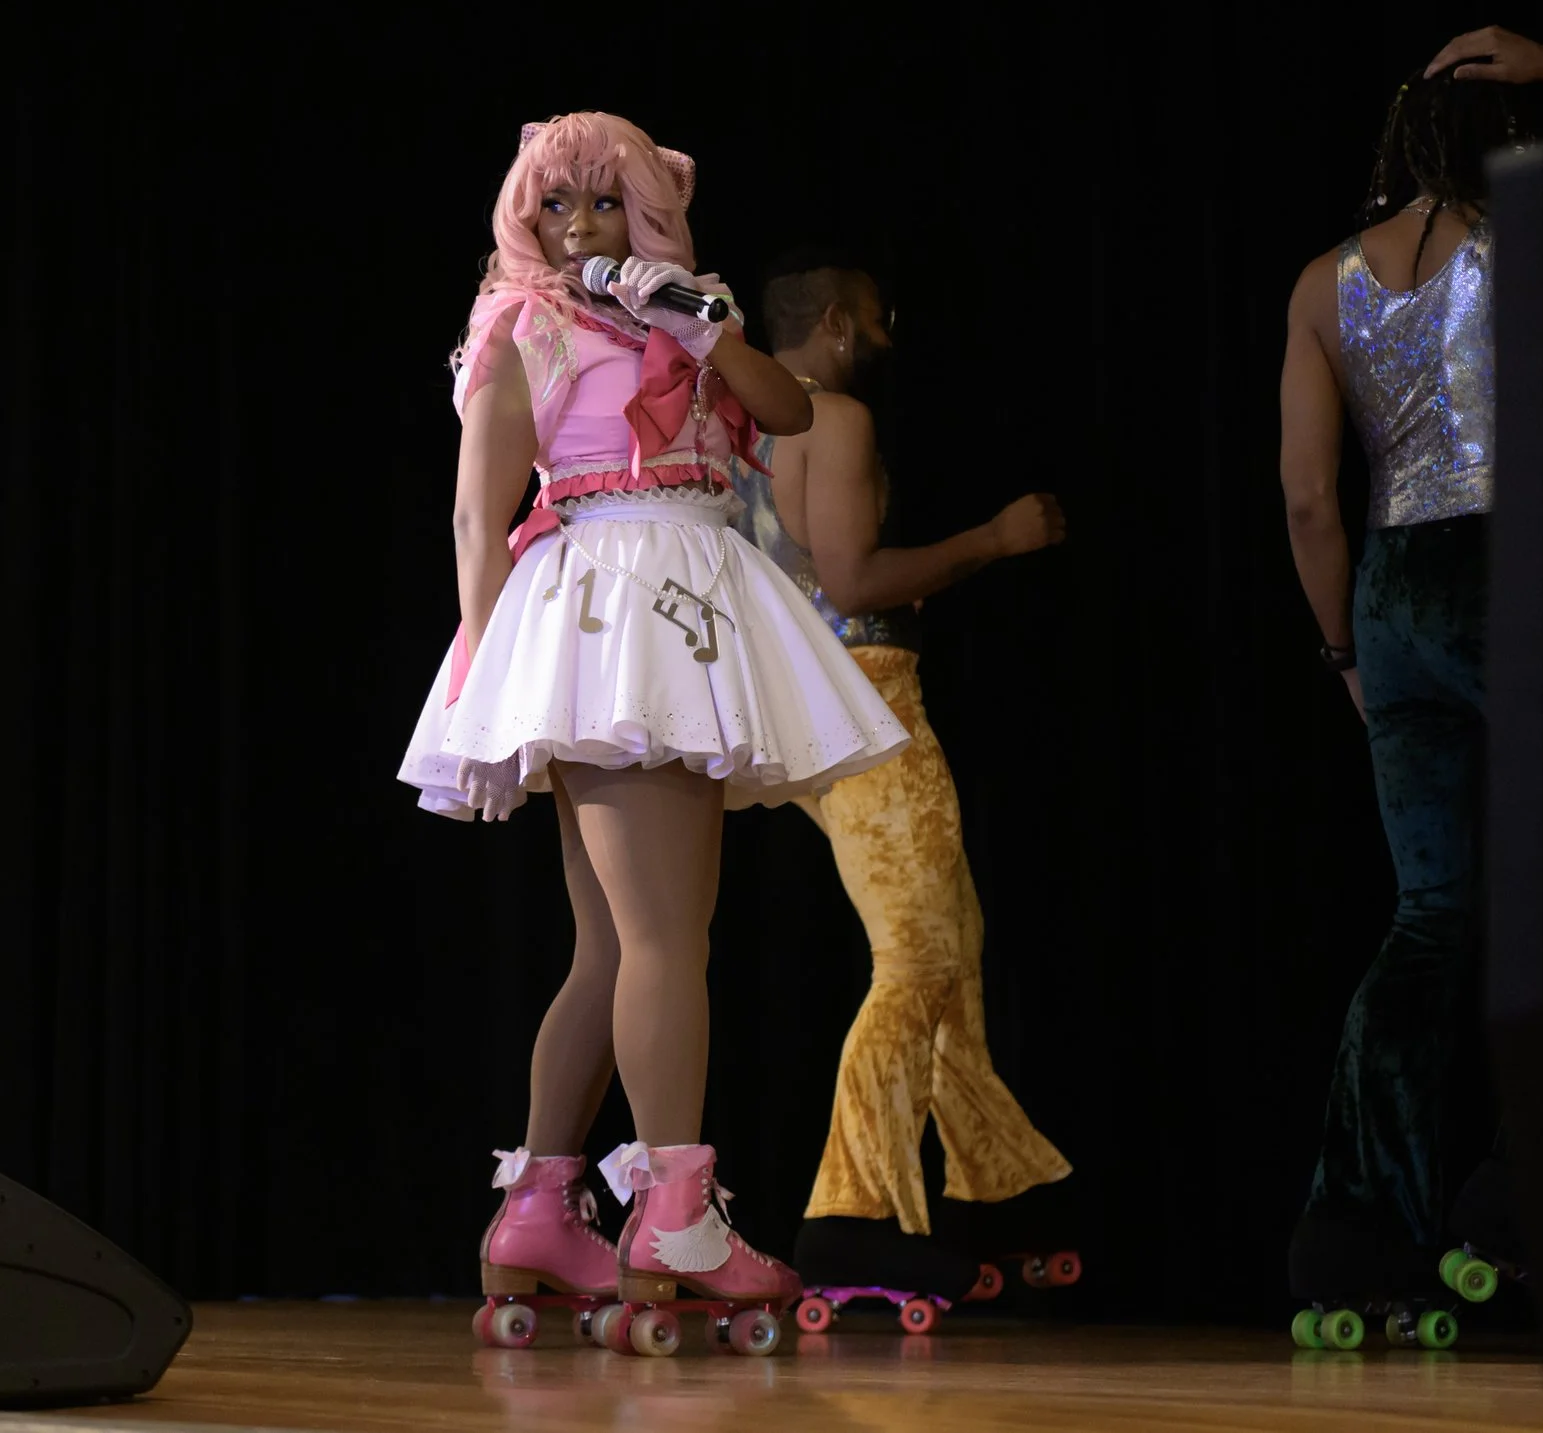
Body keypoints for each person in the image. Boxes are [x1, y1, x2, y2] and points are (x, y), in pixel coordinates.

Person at [399, 114, 911, 1335]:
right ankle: (675, 1215)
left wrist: (700, 324)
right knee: (667, 939)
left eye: (603, 203)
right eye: (556, 205)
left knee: (615, 948)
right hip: (616, 607)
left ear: (648, 208)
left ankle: (537, 1212)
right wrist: (485, 674)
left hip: (677, 591)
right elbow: (477, 515)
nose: (580, 228)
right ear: (524, 216)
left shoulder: (686, 307)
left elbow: (787, 414)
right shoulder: (522, 324)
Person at [728, 252, 1074, 1309]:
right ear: (835, 322)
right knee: (921, 956)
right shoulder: (831, 418)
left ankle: (991, 1184)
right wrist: (996, 540)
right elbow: (851, 579)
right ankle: (851, 1216)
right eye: (877, 319)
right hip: (865, 697)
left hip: (795, 705)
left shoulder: (731, 428)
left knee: (950, 946)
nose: (886, 337)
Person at [1277, 58, 1543, 1336]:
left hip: (1390, 595)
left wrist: (1347, 653)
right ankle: (1509, 1209)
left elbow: (1308, 500)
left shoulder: (1320, 282)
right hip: (1504, 575)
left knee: (1429, 919)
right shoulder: (1517, 242)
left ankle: (1355, 1236)